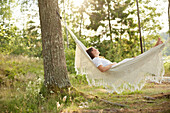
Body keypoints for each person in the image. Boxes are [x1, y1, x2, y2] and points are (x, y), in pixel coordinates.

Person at [86, 38, 163, 72]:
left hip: (120, 66)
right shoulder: (96, 59)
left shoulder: (98, 59)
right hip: (119, 66)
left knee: (140, 59)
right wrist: (112, 64)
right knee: (140, 59)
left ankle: (156, 48)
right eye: (94, 49)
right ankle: (156, 48)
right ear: (92, 52)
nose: (96, 49)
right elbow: (102, 69)